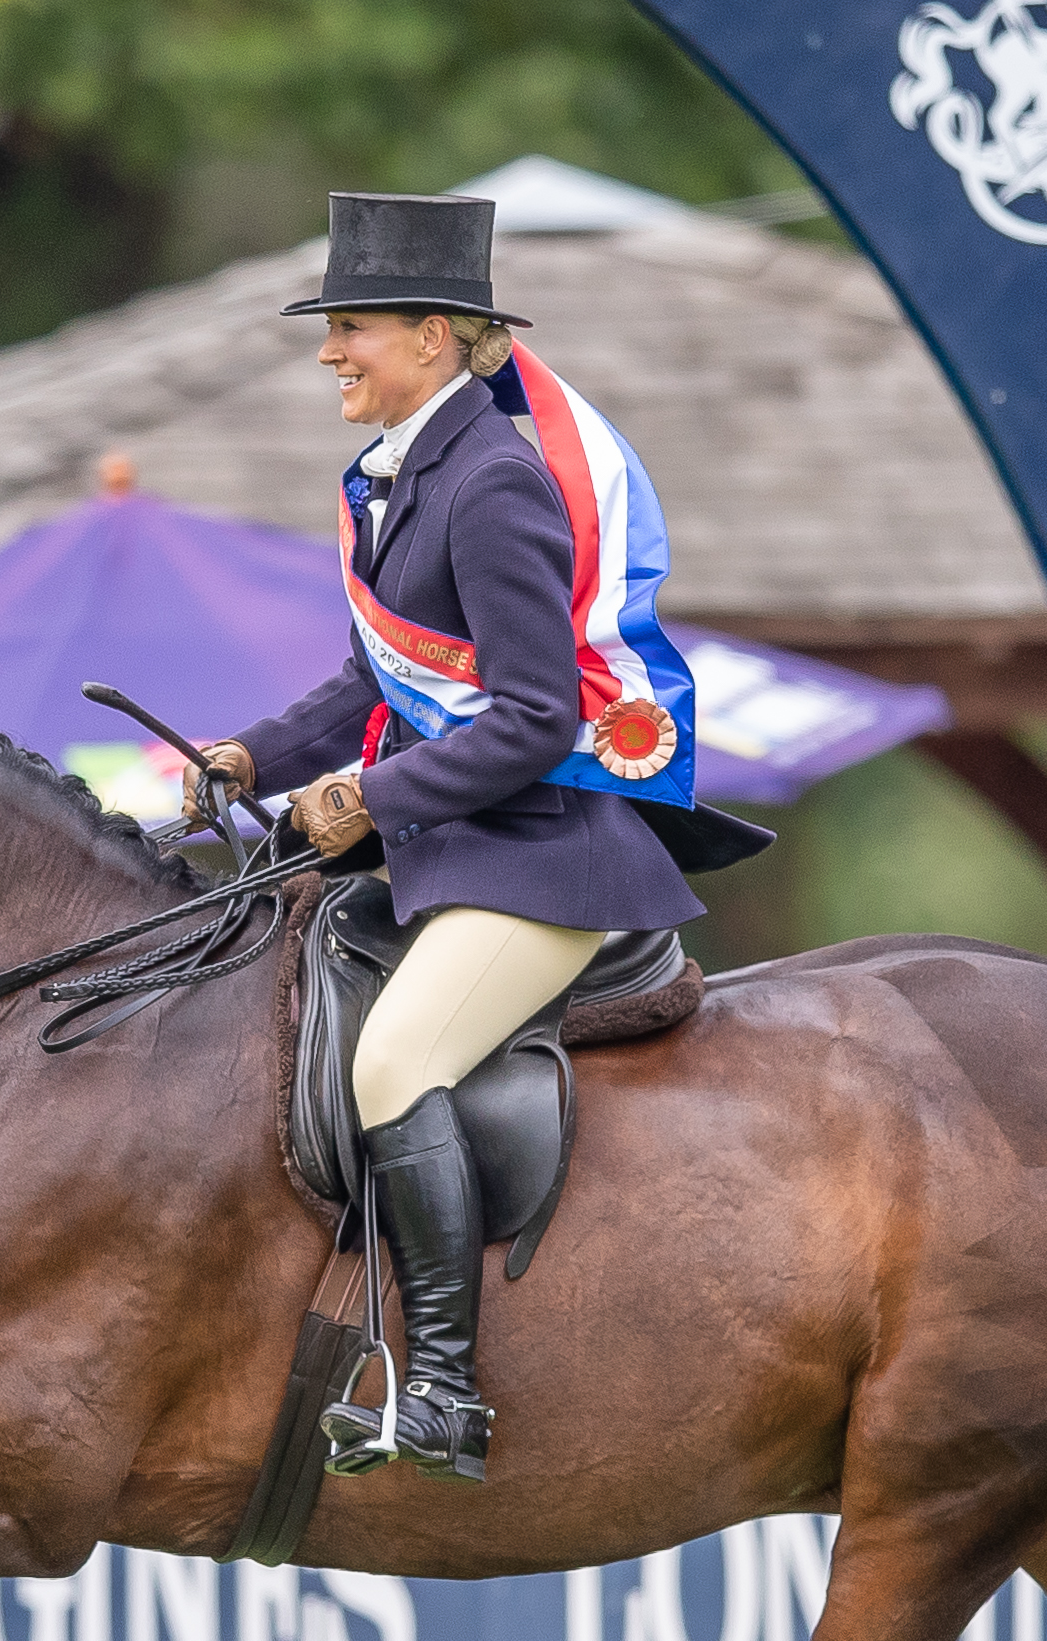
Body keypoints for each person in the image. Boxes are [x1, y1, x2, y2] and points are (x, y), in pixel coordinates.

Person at [193, 191, 773, 1482]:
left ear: (438, 335)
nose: (330, 351)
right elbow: (370, 684)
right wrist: (250, 755)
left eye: (352, 327)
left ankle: (445, 1390)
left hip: (543, 855)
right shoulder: (402, 476)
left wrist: (367, 801)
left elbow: (533, 718)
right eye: (330, 327)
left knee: (392, 1064)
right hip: (462, 850)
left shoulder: (494, 485)